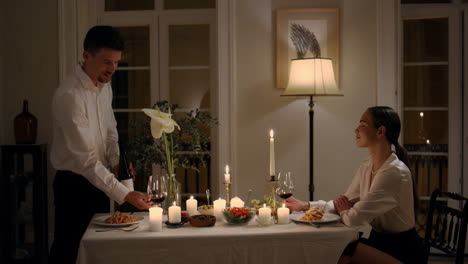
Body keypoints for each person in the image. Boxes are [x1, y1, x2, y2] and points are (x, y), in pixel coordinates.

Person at [49, 25, 152, 264]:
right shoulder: (69, 96)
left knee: (98, 251)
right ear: (87, 55)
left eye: (116, 63)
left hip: (99, 181)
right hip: (73, 185)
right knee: (68, 250)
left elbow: (110, 132)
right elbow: (85, 161)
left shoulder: (104, 87)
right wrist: (125, 194)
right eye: (107, 62)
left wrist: (117, 163)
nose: (112, 69)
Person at [285, 106, 425, 264]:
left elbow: (354, 219)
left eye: (362, 125)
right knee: (335, 247)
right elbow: (342, 205)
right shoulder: (366, 166)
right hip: (379, 242)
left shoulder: (393, 173)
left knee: (340, 248)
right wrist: (305, 206)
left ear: (380, 132)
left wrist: (346, 210)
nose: (356, 130)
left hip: (402, 250)